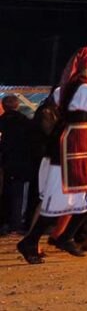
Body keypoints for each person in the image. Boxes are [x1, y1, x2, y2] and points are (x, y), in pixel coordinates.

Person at [18, 48, 87, 264]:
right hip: (70, 149)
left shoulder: (82, 87)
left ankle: (65, 236)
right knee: (59, 201)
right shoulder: (79, 87)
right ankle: (30, 241)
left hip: (84, 147)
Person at [0, 95, 33, 235]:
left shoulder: (1, 121)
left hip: (4, 161)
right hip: (21, 161)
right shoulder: (24, 121)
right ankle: (16, 223)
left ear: (3, 106)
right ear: (17, 105)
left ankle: (4, 222)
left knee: (4, 192)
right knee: (19, 193)